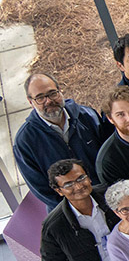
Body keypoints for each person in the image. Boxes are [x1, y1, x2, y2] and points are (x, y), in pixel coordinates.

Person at [15, 72, 110, 209]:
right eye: (40, 98)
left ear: (60, 91)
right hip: (67, 208)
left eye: (52, 93)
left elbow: (107, 158)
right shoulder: (25, 142)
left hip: (105, 196)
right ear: (31, 102)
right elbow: (41, 189)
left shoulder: (87, 116)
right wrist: (77, 208)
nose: (48, 101)